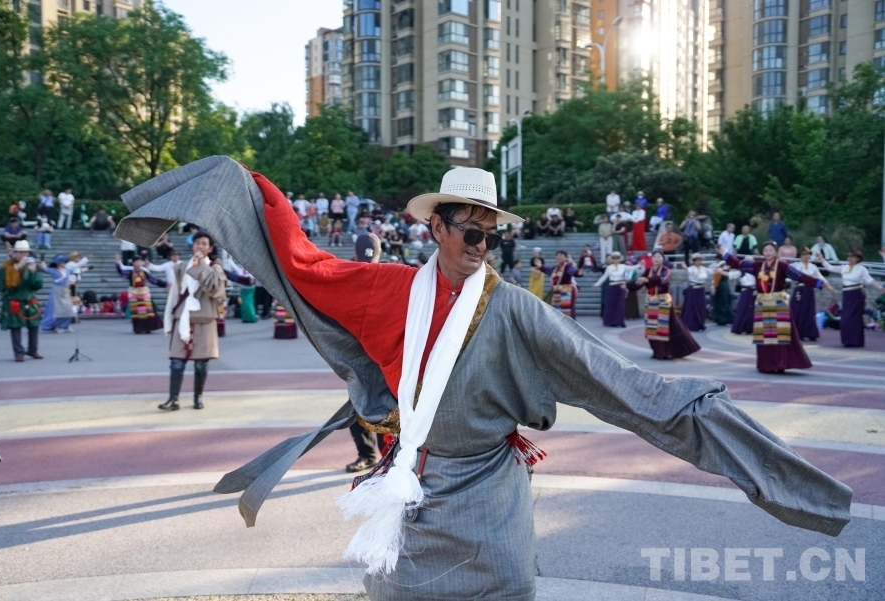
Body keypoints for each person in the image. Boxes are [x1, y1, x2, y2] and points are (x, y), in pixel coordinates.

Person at [117, 156, 852, 601]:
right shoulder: (385, 289)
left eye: (492, 234)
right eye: (470, 231)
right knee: (396, 591)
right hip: (413, 483)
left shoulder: (518, 310)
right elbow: (305, 266)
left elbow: (628, 388)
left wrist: (744, 449)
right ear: (435, 228)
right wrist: (243, 187)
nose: (482, 246)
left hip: (488, 488)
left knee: (507, 584)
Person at [721, 241, 834, 373]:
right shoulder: (758, 266)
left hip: (779, 303)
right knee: (765, 335)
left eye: (771, 250)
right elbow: (739, 264)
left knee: (781, 335)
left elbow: (800, 276)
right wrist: (726, 255)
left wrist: (819, 283)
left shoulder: (782, 265)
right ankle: (766, 364)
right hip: (763, 304)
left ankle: (781, 363)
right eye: (765, 250)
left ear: (776, 252)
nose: (768, 253)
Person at [156, 233, 227, 411]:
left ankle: (198, 397)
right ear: (192, 246)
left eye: (204, 244)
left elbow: (215, 290)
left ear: (210, 248)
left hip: (205, 319)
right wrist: (168, 319)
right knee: (176, 362)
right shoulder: (181, 267)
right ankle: (173, 399)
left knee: (201, 363)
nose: (200, 246)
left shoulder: (215, 268)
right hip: (183, 318)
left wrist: (200, 265)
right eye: (197, 243)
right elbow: (175, 294)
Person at [346, 231, 388, 473]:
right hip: (359, 355)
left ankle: (387, 456)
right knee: (356, 406)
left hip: (384, 355)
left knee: (386, 408)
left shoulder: (389, 278)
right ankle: (368, 454)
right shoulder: (348, 278)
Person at [628, 251, 701, 360]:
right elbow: (639, 283)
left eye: (659, 257)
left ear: (663, 259)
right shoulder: (648, 271)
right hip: (651, 303)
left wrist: (647, 279)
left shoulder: (666, 270)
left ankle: (669, 351)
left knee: (668, 327)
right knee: (652, 328)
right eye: (654, 256)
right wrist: (629, 285)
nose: (656, 258)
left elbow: (662, 280)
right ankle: (657, 351)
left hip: (664, 302)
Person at [817, 251, 885, 348]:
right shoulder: (844, 267)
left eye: (853, 257)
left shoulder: (861, 269)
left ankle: (856, 341)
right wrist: (821, 258)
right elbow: (830, 267)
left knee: (854, 318)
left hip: (857, 294)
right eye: (849, 257)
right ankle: (847, 340)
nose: (850, 259)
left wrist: (880, 288)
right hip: (847, 294)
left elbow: (870, 280)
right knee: (845, 317)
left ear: (858, 258)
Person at [0, 240, 43, 362]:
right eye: (20, 252)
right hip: (14, 300)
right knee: (15, 326)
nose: (23, 255)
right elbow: (5, 284)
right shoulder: (7, 265)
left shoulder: (31, 264)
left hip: (30, 299)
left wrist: (33, 272)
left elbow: (37, 285)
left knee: (34, 325)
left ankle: (33, 350)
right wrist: (17, 268)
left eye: (26, 252)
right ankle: (19, 352)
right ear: (15, 252)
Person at [116, 255, 165, 334]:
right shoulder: (130, 272)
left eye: (140, 261)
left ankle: (148, 327)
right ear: (133, 263)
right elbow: (121, 272)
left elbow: (153, 279)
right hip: (134, 293)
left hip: (144, 292)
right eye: (137, 262)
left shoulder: (144, 271)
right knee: (137, 312)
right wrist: (118, 262)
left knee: (148, 311)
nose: (138, 263)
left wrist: (164, 284)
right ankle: (139, 328)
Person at [790, 248, 825, 341]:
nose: (805, 256)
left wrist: (827, 285)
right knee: (797, 310)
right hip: (799, 290)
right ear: (800, 256)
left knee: (809, 311)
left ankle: (810, 333)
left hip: (809, 290)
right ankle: (798, 333)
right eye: (803, 254)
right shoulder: (795, 265)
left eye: (807, 254)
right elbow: (785, 270)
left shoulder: (813, 267)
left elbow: (820, 277)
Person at [39, 255, 76, 333]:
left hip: (65, 291)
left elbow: (77, 270)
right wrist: (42, 261)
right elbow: (44, 268)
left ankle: (66, 325)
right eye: (61, 262)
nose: (63, 263)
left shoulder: (67, 269)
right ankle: (56, 325)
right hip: (57, 291)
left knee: (68, 308)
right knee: (56, 309)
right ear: (57, 263)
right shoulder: (53, 270)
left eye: (63, 262)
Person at [592, 251, 628, 327]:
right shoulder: (609, 267)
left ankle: (620, 321)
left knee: (620, 305)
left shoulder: (623, 266)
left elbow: (634, 268)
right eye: (614, 258)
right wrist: (597, 284)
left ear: (620, 259)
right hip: (612, 286)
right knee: (611, 304)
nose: (616, 259)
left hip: (620, 287)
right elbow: (604, 277)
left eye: (617, 258)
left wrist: (640, 265)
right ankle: (611, 321)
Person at [541, 250, 579, 318]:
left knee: (567, 309)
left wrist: (579, 273)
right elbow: (547, 270)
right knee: (556, 309)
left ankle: (569, 323)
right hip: (557, 290)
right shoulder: (555, 268)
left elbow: (574, 272)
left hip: (566, 290)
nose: (559, 257)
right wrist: (540, 267)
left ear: (565, 258)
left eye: (561, 255)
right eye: (557, 255)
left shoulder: (568, 266)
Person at [680, 254, 710, 332]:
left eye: (700, 260)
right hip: (693, 290)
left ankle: (700, 324)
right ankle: (691, 325)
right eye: (697, 260)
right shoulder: (691, 269)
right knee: (692, 307)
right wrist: (685, 267)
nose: (699, 262)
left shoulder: (703, 268)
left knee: (701, 306)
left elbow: (711, 271)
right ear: (694, 261)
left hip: (701, 290)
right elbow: (688, 271)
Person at [730, 268, 756, 335]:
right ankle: (741, 328)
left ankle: (749, 328)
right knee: (742, 309)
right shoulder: (740, 272)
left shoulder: (755, 270)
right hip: (745, 292)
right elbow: (731, 275)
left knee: (750, 311)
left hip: (752, 292)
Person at [712, 261, 735, 326]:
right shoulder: (726, 270)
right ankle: (726, 319)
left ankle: (724, 319)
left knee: (722, 303)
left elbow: (716, 280)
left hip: (721, 287)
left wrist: (714, 287)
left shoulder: (719, 270)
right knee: (725, 302)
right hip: (725, 286)